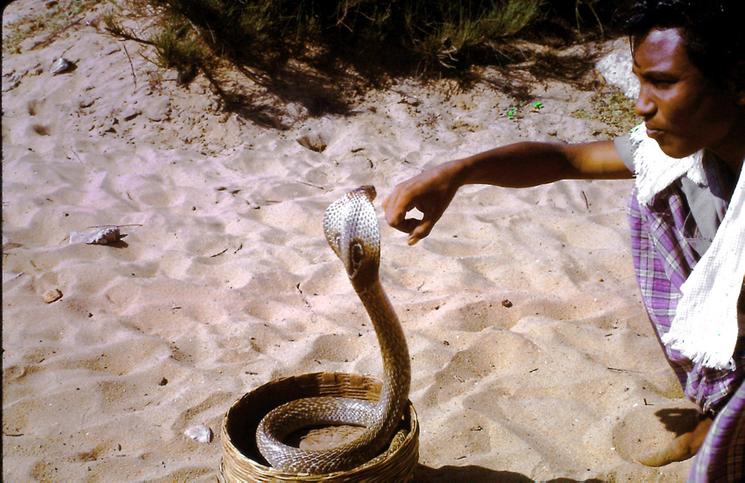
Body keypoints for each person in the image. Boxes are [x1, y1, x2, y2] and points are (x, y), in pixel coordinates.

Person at [383, 1, 744, 480]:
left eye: (662, 82)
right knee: (652, 193)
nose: (641, 103)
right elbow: (566, 159)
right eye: (639, 80)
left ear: (738, 81)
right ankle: (718, 407)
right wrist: (459, 172)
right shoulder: (685, 156)